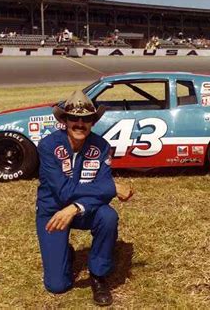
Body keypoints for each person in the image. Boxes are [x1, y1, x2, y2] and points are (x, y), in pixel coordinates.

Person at [36, 90, 133, 306]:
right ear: (65, 120)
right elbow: (63, 191)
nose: (80, 124)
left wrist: (76, 207)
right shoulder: (48, 146)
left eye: (86, 119)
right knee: (57, 286)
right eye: (74, 118)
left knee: (108, 216)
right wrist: (111, 187)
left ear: (93, 122)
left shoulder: (101, 146)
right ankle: (65, 253)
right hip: (53, 212)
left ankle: (98, 275)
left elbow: (101, 195)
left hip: (82, 210)